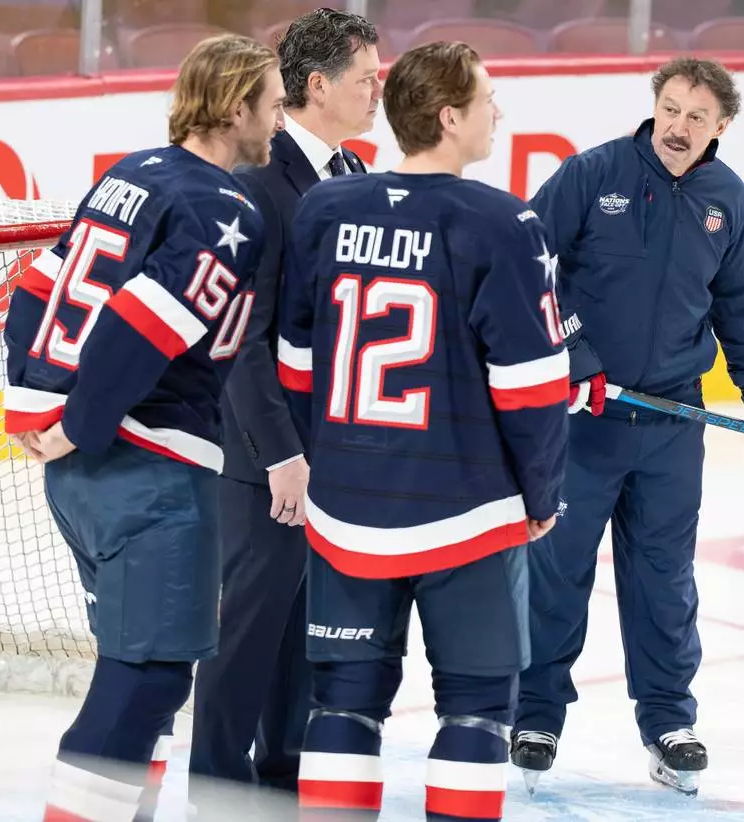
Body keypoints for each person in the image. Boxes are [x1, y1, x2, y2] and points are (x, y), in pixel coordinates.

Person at [509, 57, 744, 797]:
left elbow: (739, 308)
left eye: (697, 117)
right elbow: (529, 265)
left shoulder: (726, 200)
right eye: (672, 109)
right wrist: (575, 354)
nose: (679, 127)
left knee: (663, 578)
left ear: (722, 128)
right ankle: (535, 714)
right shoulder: (592, 175)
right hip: (584, 419)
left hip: (672, 422)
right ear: (654, 106)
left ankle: (668, 722)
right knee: (558, 570)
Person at [276, 41, 569, 821]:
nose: (496, 111)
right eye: (485, 98)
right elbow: (533, 388)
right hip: (466, 513)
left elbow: (297, 361)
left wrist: (330, 459)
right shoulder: (505, 223)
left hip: (344, 512)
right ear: (449, 116)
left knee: (342, 701)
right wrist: (542, 495)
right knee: (476, 707)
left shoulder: (327, 208)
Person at [1, 34, 283, 822]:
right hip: (147, 469)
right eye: (273, 100)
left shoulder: (131, 173)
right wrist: (84, 424)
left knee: (138, 668)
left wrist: (36, 406)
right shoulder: (226, 207)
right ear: (235, 108)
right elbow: (141, 322)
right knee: (150, 675)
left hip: (89, 482)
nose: (279, 117)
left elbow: (33, 289)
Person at [189, 8, 381, 801]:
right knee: (247, 636)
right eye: (366, 78)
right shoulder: (257, 186)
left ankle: (279, 780)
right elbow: (242, 339)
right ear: (316, 85)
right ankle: (215, 790)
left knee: (308, 633)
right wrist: (281, 454)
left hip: (333, 453)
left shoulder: (356, 177)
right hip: (265, 461)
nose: (378, 91)